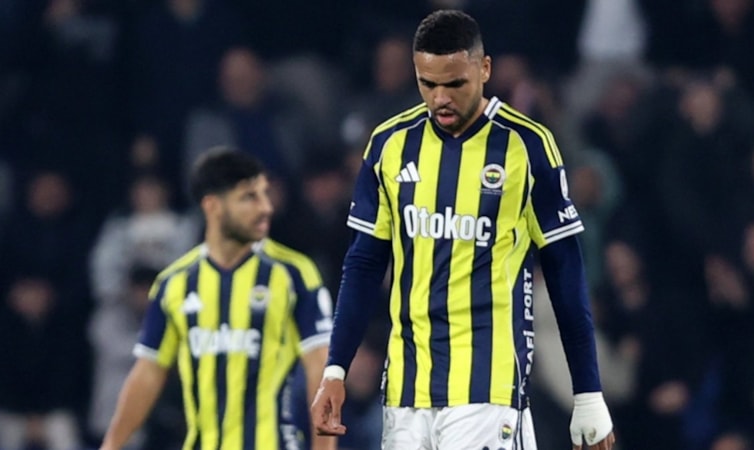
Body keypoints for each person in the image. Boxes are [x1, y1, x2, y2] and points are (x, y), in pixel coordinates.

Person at [311, 9, 616, 450]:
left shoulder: (526, 147)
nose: (440, 99)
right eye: (427, 84)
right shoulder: (390, 145)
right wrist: (336, 369)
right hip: (405, 394)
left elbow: (566, 272)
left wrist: (587, 393)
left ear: (484, 69)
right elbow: (363, 263)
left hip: (488, 394)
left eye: (455, 84)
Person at [100, 148, 336, 450]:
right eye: (249, 197)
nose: (265, 207)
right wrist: (111, 445)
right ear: (213, 206)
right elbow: (148, 373)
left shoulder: (294, 275)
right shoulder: (174, 283)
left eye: (264, 195)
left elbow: (321, 369)